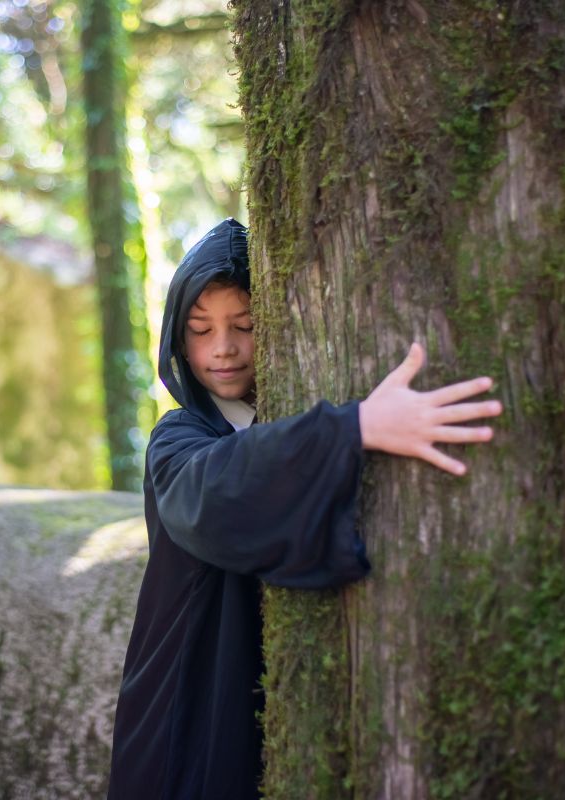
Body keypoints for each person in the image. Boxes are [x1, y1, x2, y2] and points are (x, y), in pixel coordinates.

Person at [107, 218, 503, 799]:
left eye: (244, 324)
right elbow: (211, 492)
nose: (224, 347)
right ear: (176, 338)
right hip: (184, 707)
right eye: (200, 329)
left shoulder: (278, 412)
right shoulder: (177, 439)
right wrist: (354, 428)